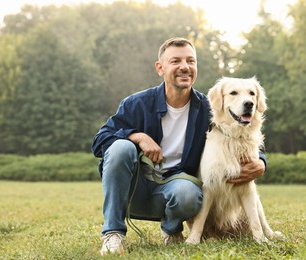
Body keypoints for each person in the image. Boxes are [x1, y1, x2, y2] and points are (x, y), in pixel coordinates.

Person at [91, 37, 267, 256]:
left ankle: (172, 232)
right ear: (160, 68)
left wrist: (261, 161)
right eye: (175, 61)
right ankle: (113, 234)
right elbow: (100, 141)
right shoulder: (136, 104)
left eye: (190, 61)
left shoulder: (208, 108)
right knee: (120, 148)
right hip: (134, 190)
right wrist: (138, 137)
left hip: (174, 191)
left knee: (189, 192)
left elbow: (240, 135)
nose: (184, 67)